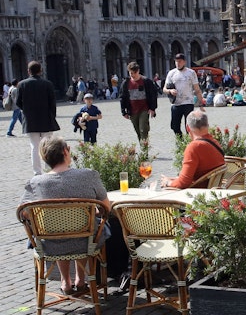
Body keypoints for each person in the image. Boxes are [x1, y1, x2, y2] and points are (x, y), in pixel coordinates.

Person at [19, 136, 110, 295]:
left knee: (57, 229)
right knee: (86, 228)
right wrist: (89, 212)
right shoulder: (88, 175)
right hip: (85, 243)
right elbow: (106, 208)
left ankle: (65, 281)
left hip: (51, 244)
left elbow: (23, 212)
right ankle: (80, 280)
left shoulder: (36, 183)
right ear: (65, 151)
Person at [159, 111, 224, 189]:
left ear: (187, 128)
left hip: (197, 193)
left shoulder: (194, 147)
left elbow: (183, 183)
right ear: (207, 126)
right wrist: (174, 180)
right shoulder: (215, 143)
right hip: (210, 189)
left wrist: (167, 182)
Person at [17, 61, 60, 175]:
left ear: (28, 71)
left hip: (30, 121)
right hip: (46, 119)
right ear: (41, 70)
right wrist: (52, 116)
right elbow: (52, 103)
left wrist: (27, 112)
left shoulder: (22, 84)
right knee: (48, 146)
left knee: (34, 147)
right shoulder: (48, 84)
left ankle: (37, 172)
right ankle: (48, 169)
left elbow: (18, 103)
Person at [163, 53, 204, 136]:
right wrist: (170, 91)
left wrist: (201, 102)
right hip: (176, 103)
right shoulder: (171, 73)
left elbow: (197, 89)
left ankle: (188, 143)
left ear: (184, 62)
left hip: (188, 103)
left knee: (189, 126)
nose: (178, 63)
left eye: (180, 61)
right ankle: (181, 141)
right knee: (174, 126)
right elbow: (164, 89)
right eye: (176, 61)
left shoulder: (191, 73)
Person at [119, 61, 158, 142]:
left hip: (144, 109)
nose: (132, 75)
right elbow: (122, 97)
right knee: (138, 132)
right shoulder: (126, 83)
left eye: (134, 73)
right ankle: (143, 147)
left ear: (138, 71)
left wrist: (152, 108)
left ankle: (144, 152)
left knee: (143, 130)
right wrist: (124, 112)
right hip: (132, 110)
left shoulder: (146, 81)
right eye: (130, 73)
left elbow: (153, 95)